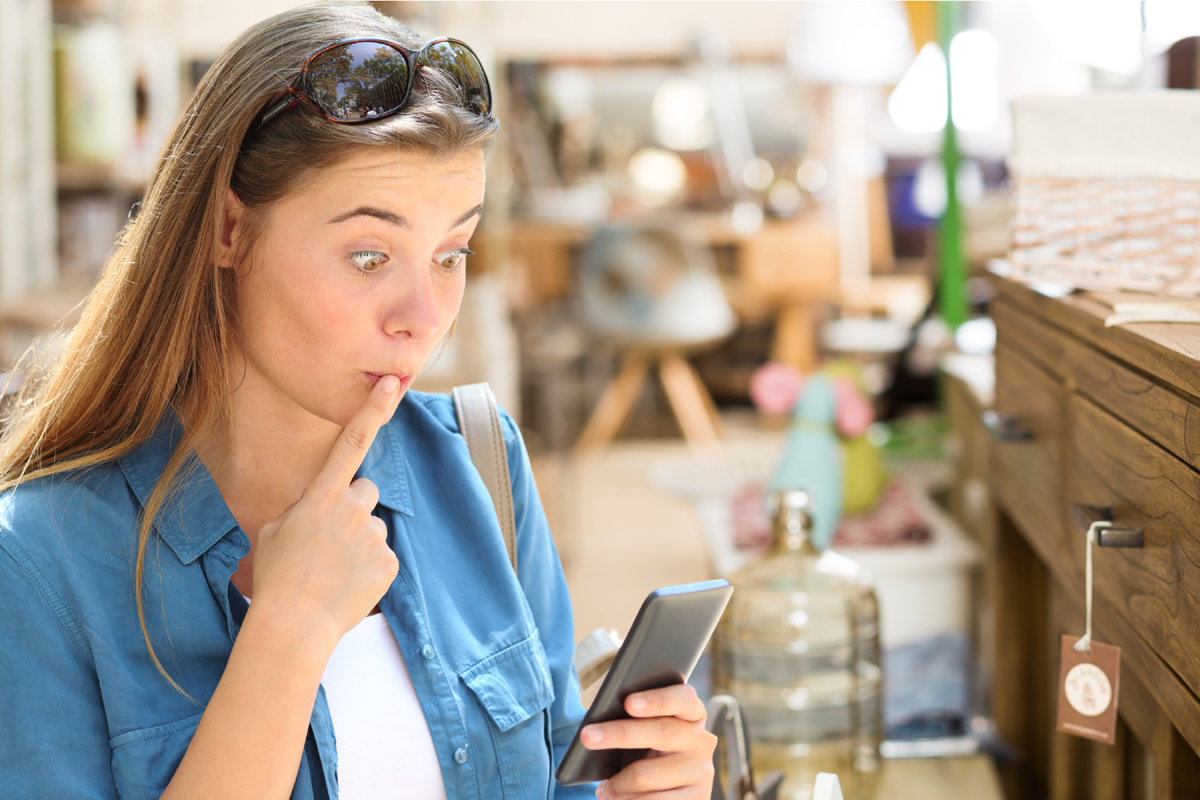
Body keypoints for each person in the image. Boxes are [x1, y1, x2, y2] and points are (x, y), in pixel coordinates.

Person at [0, 4, 716, 800]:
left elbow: (553, 786)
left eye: (451, 253)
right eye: (369, 255)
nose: (422, 316)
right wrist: (286, 634)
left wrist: (634, 791)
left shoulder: (482, 462)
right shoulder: (40, 563)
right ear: (227, 232)